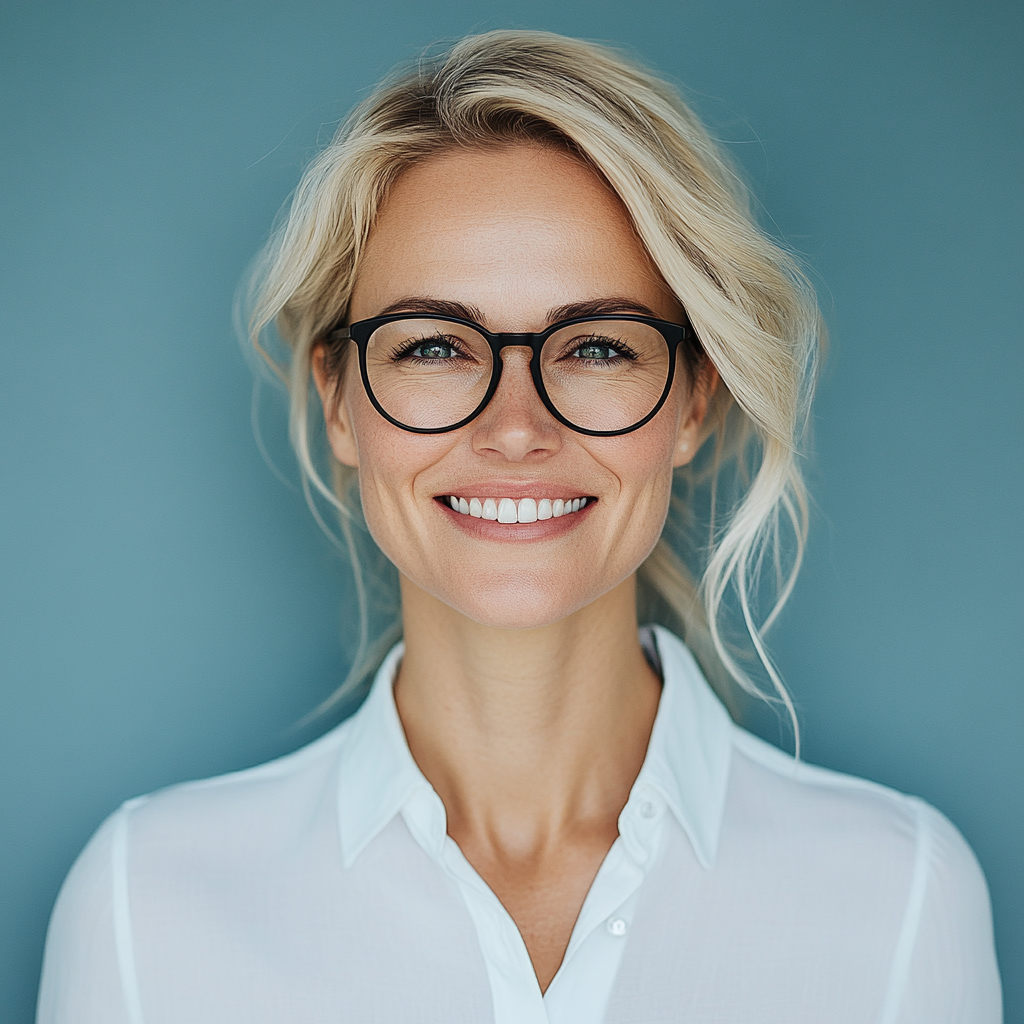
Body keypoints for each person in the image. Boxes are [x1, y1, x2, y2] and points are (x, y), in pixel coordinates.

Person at [36, 30, 1001, 1024]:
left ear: (692, 402)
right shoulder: (143, 905)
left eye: (592, 345)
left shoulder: (898, 898)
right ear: (339, 401)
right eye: (434, 346)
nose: (514, 428)